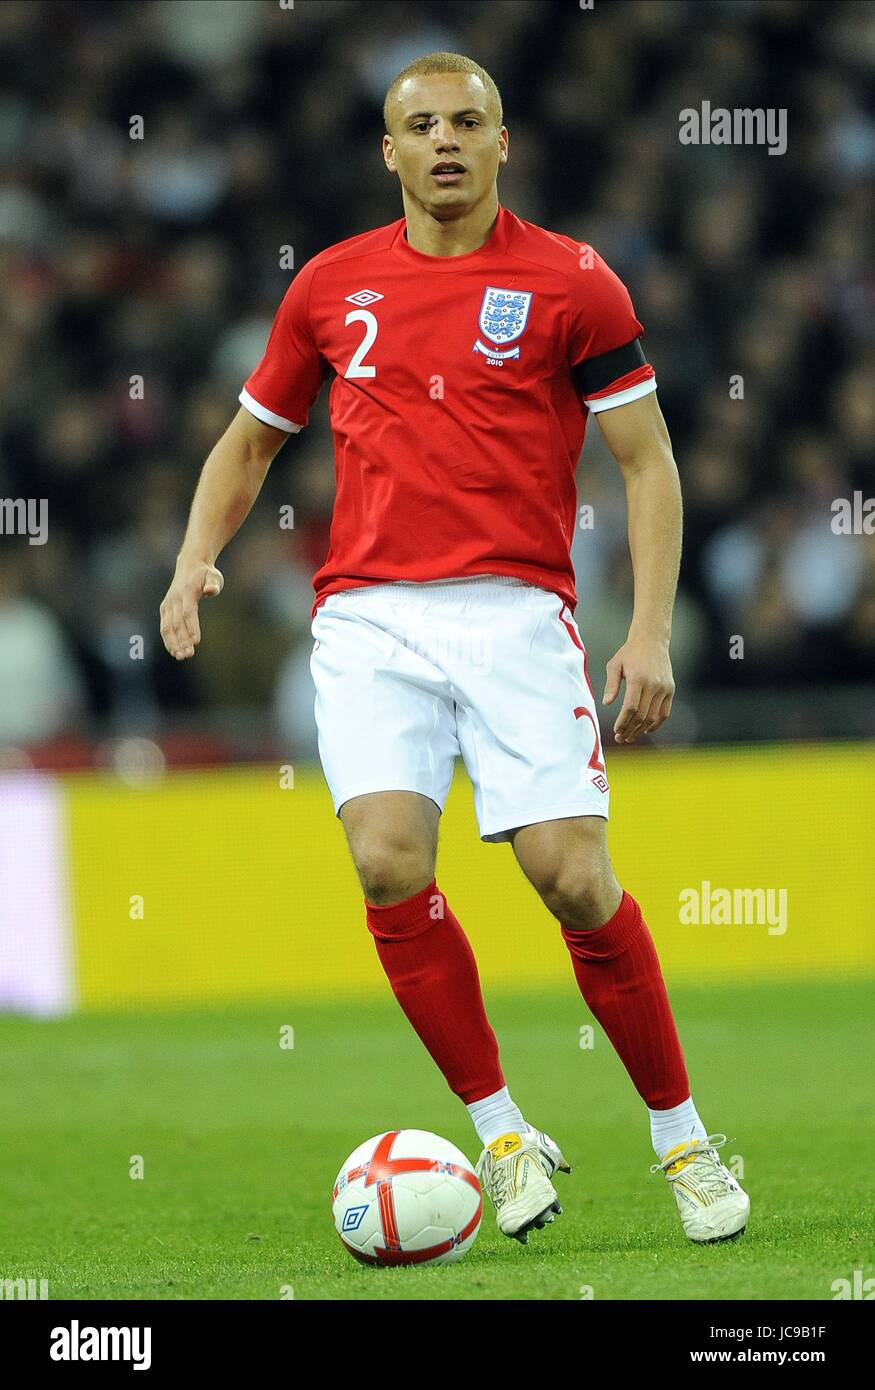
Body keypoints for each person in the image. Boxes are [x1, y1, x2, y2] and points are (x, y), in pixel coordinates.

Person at [160, 52, 749, 1247]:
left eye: (465, 122)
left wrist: (646, 630)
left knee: (572, 879)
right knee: (386, 863)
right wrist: (191, 558)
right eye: (418, 124)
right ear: (387, 152)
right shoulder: (330, 287)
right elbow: (248, 442)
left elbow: (646, 462)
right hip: (369, 615)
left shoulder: (571, 282)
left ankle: (681, 1139)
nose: (442, 141)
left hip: (516, 612)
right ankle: (499, 1130)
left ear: (499, 143)